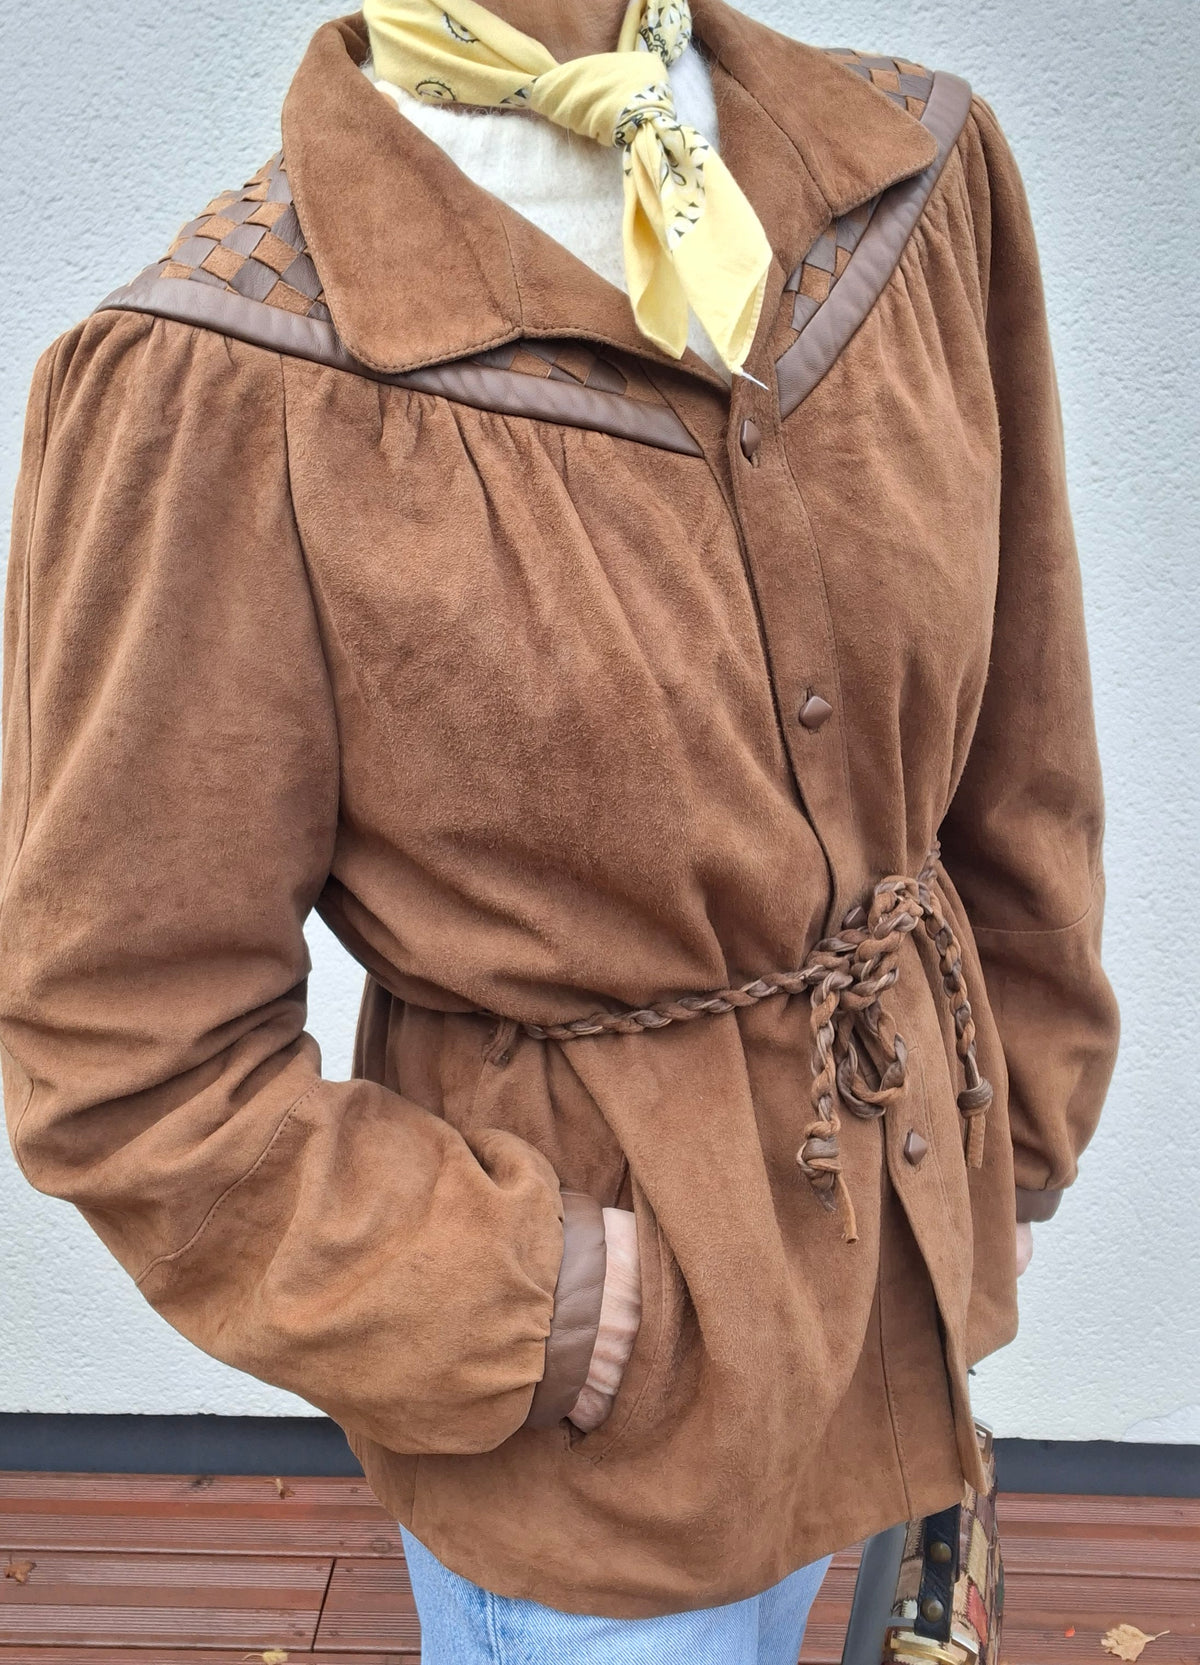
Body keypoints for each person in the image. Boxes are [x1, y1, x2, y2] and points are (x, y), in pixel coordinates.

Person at [0, 0, 1119, 1658]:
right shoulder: (224, 376)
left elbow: (1025, 727)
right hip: (602, 1449)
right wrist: (525, 1299)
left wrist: (1014, 1114)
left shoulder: (915, 182)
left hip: (894, 1279)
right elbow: (118, 1042)